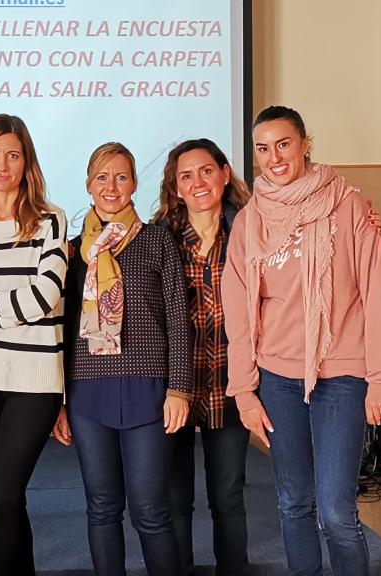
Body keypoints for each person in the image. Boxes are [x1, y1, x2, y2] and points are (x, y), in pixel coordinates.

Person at [222, 106, 381, 576]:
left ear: (305, 143)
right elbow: (241, 315)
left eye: (284, 144)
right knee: (292, 503)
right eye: (263, 148)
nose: (274, 157)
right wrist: (244, 390)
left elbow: (377, 297)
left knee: (337, 513)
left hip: (342, 375)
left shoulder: (350, 206)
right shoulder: (249, 220)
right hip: (277, 379)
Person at [53, 142, 190, 576]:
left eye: (121, 176)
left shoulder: (157, 240)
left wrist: (179, 388)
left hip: (149, 389)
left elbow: (178, 319)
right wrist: (59, 402)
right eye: (102, 177)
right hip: (87, 391)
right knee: (101, 507)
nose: (111, 187)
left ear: (134, 182)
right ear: (88, 185)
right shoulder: (73, 251)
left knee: (150, 510)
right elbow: (62, 328)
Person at [0, 114, 67, 576]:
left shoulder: (50, 220)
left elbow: (44, 297)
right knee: (7, 499)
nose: (2, 164)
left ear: (27, 162)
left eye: (13, 154)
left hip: (35, 380)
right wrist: (3, 310)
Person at [151, 139, 252, 576]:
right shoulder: (159, 237)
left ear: (225, 174)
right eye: (185, 176)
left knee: (228, 495)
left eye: (206, 171)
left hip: (230, 385)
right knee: (175, 499)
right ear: (175, 187)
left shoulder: (251, 230)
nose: (197, 183)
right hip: (175, 387)